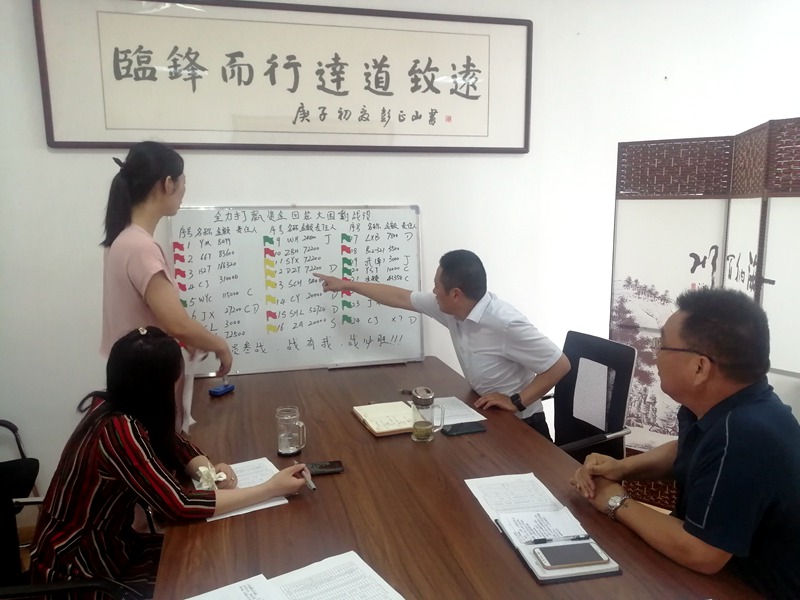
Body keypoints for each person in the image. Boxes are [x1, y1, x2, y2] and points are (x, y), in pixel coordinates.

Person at [29, 327, 307, 599]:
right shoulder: (119, 431)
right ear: (159, 387)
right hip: (80, 571)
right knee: (209, 570)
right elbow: (179, 505)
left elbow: (174, 443)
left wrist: (207, 472)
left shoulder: (117, 405)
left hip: (111, 547)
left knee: (212, 557)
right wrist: (270, 488)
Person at [570, 288, 800, 599]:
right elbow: (689, 449)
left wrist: (616, 502)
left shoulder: (745, 436)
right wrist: (621, 468)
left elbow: (703, 553)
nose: (656, 355)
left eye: (663, 345)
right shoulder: (726, 404)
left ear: (699, 367)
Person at [314, 249, 570, 439]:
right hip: (487, 412)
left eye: (437, 285)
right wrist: (347, 285)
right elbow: (399, 297)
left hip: (522, 424)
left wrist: (517, 401)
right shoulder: (451, 308)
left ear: (456, 293)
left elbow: (559, 365)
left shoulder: (505, 323)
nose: (434, 291)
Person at [100, 140, 232, 376]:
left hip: (131, 373)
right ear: (168, 184)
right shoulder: (141, 247)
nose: (184, 191)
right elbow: (178, 324)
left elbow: (147, 317)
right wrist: (219, 345)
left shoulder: (123, 239)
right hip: (147, 377)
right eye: (183, 183)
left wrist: (187, 339)